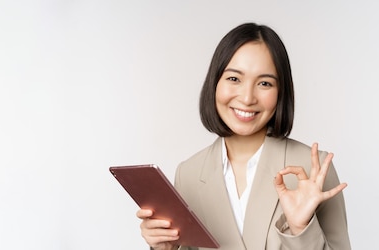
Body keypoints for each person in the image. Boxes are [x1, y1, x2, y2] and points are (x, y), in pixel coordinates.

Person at [136, 22, 351, 249]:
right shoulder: (188, 173)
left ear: (281, 92)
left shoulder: (313, 169)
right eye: (234, 79)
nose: (248, 98)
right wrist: (163, 247)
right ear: (214, 83)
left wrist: (300, 230)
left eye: (264, 83)